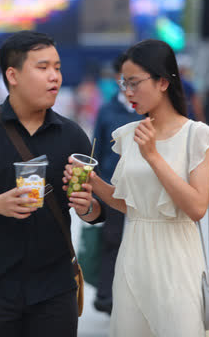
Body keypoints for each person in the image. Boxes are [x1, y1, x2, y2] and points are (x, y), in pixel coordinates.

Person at [0, 31, 105, 337]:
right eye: (43, 68)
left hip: (54, 289)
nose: (54, 76)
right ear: (13, 75)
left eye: (57, 67)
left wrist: (87, 206)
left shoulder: (72, 135)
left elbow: (96, 212)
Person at [64, 39, 209, 336]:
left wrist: (153, 157)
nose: (128, 92)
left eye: (134, 83)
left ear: (162, 81)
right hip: (132, 256)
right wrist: (93, 182)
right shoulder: (128, 135)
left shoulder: (198, 137)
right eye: (124, 83)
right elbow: (129, 203)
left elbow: (197, 208)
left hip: (177, 258)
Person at [91, 54, 138, 315]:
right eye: (124, 77)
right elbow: (95, 148)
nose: (127, 84)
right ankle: (106, 296)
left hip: (146, 191)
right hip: (112, 188)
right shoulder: (107, 110)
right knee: (112, 240)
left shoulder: (152, 110)